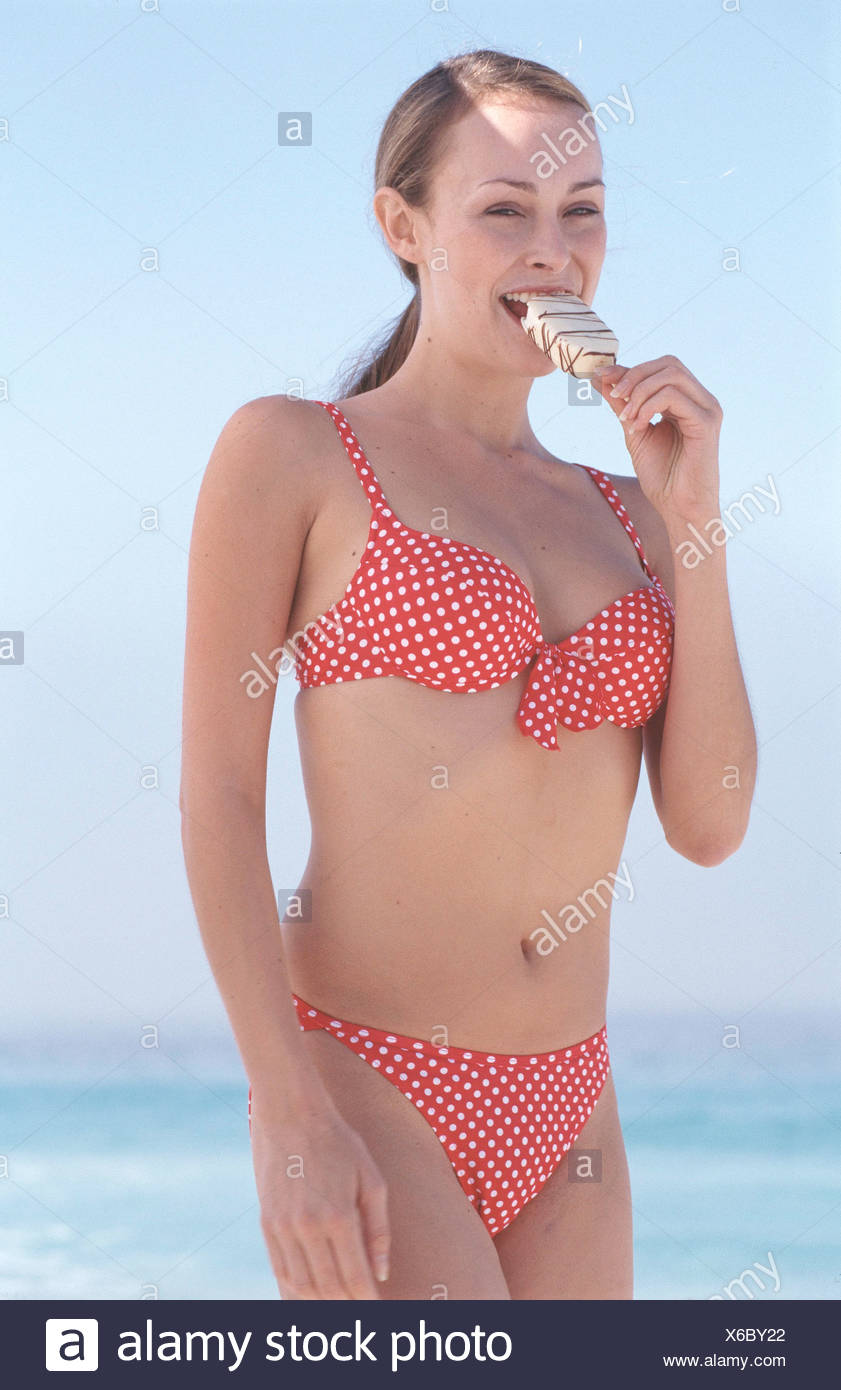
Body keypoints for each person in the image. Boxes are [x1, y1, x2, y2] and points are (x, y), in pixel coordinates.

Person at [180, 49, 756, 1301]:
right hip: (365, 1077)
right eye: (503, 211)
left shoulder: (631, 509)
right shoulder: (296, 453)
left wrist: (694, 522)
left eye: (580, 209)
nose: (551, 250)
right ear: (404, 226)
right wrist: (285, 1115)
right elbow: (218, 798)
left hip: (571, 1110)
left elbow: (709, 824)